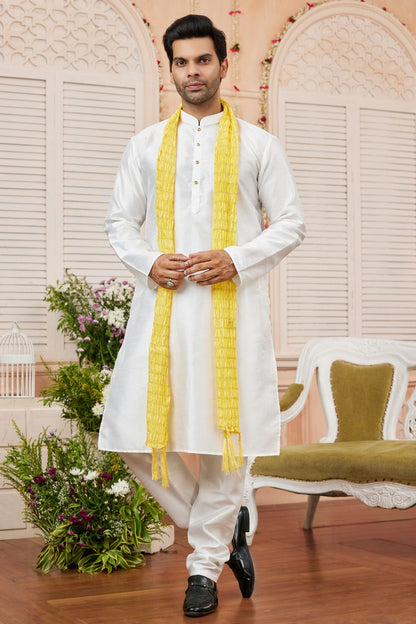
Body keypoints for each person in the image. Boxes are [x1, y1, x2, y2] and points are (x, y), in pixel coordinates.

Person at [98, 14, 305, 618]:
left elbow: (291, 222)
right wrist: (149, 260)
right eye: (182, 62)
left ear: (222, 65)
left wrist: (236, 258)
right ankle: (223, 526)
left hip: (230, 315)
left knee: (223, 445)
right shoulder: (144, 146)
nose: (192, 72)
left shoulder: (260, 146)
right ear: (171, 70)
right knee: (129, 434)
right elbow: (118, 222)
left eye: (203, 60)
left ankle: (204, 569)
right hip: (162, 310)